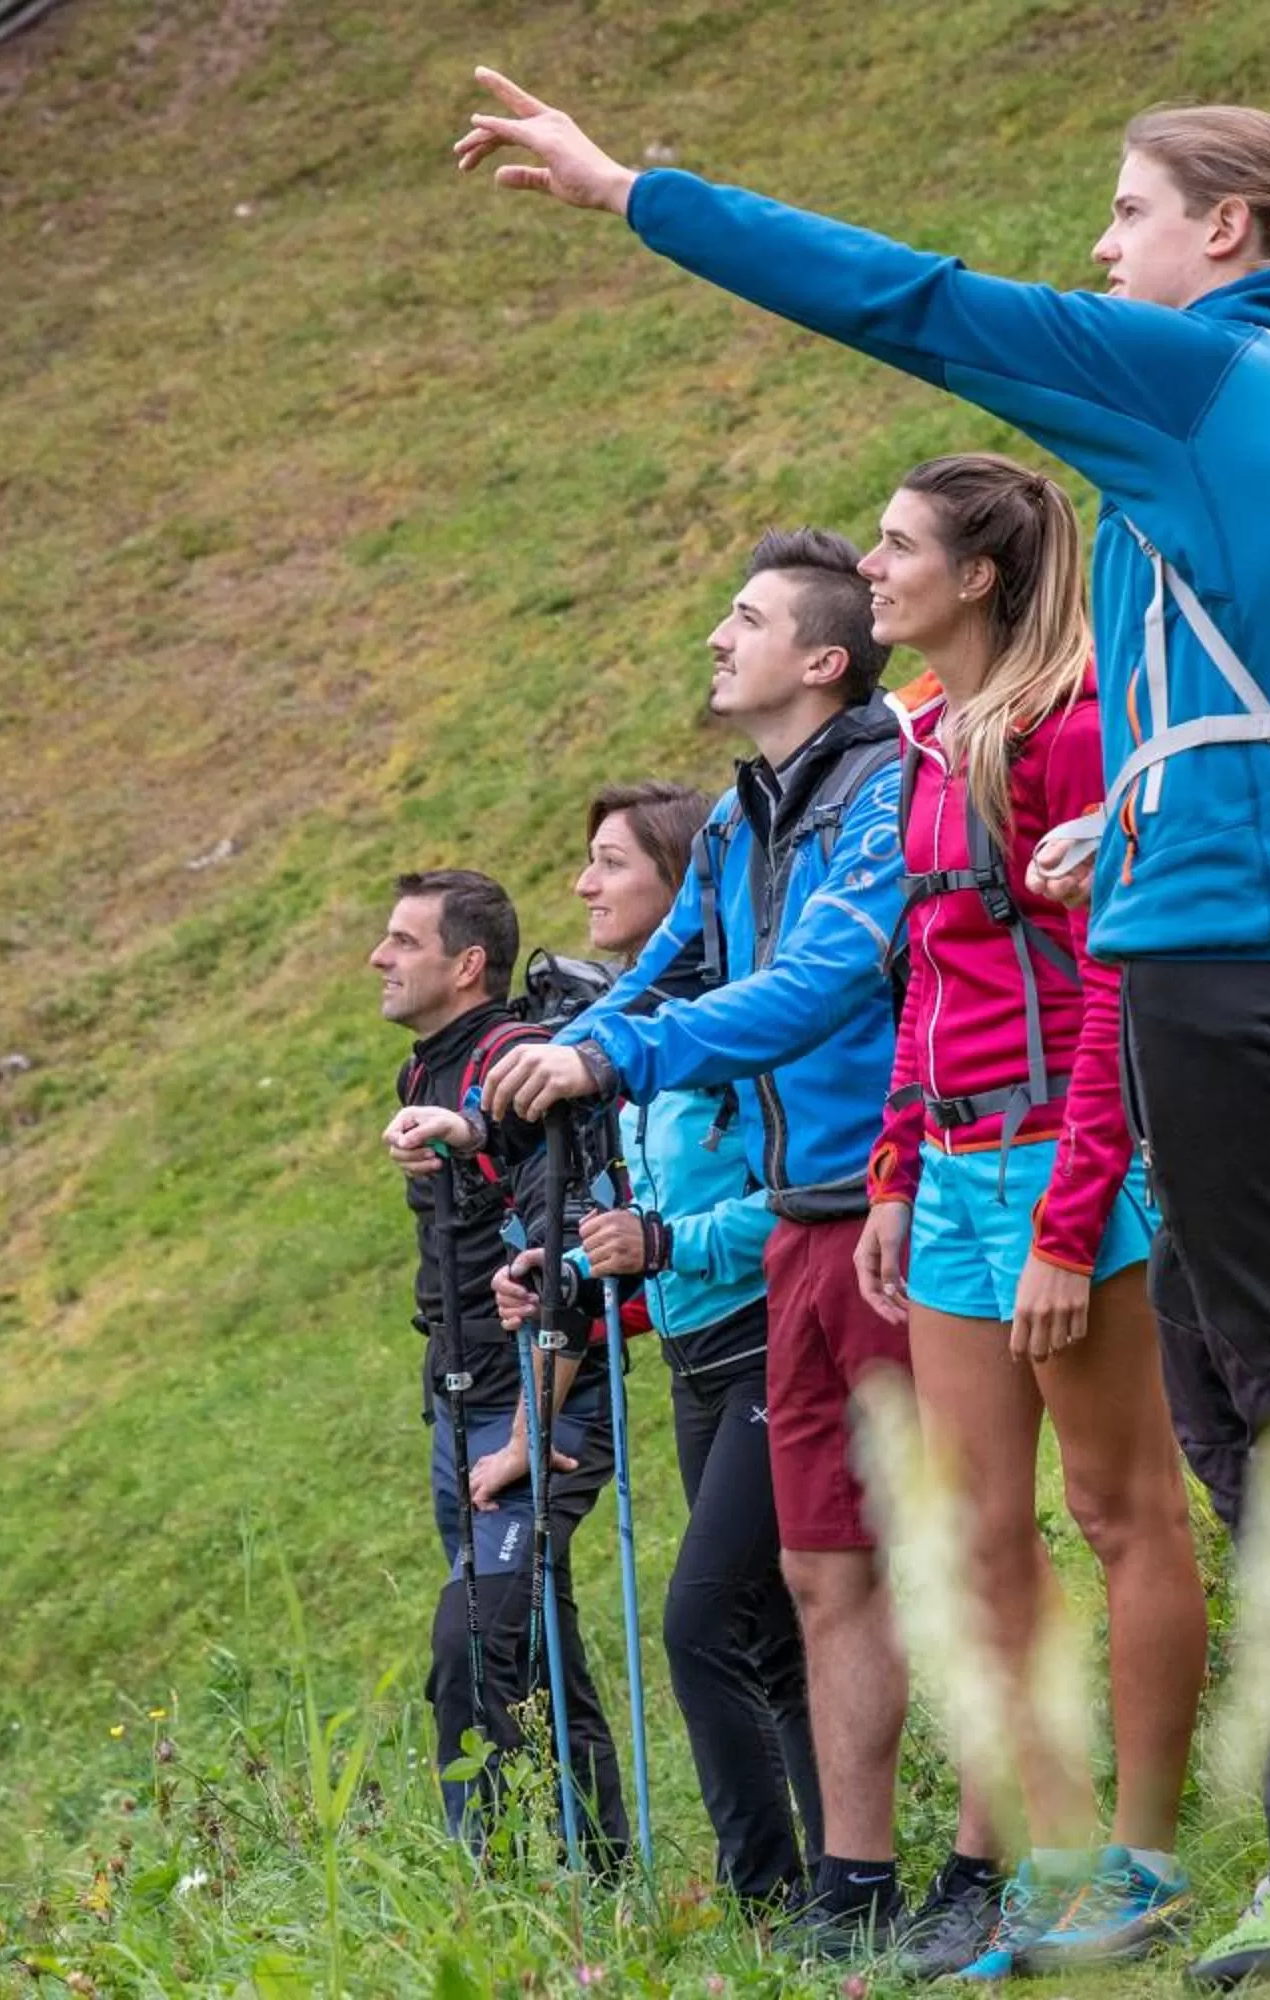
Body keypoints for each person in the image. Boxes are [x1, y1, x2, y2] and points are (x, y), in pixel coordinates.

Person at [456, 79, 1270, 1985]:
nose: (1103, 249)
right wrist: (1122, 825)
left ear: (1222, 231)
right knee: (1245, 1416)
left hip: (1233, 958)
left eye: (1131, 211)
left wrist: (629, 187)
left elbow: (907, 300)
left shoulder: (1198, 377)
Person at [482, 533, 1001, 1957]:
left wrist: (617, 1061)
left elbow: (822, 984)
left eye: (746, 618)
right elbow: (659, 974)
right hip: (800, 1239)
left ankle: (994, 1862)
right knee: (825, 1576)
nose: (717, 637)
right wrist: (514, 1079)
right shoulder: (736, 818)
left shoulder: (881, 790)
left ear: (822, 661)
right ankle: (853, 1891)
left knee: (937, 1554)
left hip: (904, 1203)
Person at [846, 452, 1204, 1977]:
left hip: (1072, 1163)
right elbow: (934, 975)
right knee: (983, 1540)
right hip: (952, 1185)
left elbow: (1113, 970)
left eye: (896, 543)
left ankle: (1144, 1860)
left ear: (977, 576)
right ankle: (1050, 1870)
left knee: (1122, 1513)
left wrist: (1072, 1218)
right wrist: (893, 1171)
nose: (871, 565)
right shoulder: (928, 739)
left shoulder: (1069, 732)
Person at [480, 781, 824, 1912]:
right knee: (769, 1632)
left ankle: (770, 1893)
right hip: (694, 1357)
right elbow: (633, 1225)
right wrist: (569, 1268)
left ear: (684, 889)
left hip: (774, 1340)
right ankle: (826, 1885)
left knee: (702, 1619)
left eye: (610, 862)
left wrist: (667, 1237)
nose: (583, 884)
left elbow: (811, 1194)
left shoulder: (739, 1029)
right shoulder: (635, 1053)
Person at [372, 869, 628, 1859]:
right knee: (531, 1643)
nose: (379, 958)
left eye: (402, 939)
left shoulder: (519, 1060)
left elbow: (565, 1248)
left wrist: (528, 1428)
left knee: (475, 1638)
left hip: (535, 1409)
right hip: (460, 1402)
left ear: (466, 962)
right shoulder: (424, 1069)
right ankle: (600, 1873)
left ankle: (481, 1872)